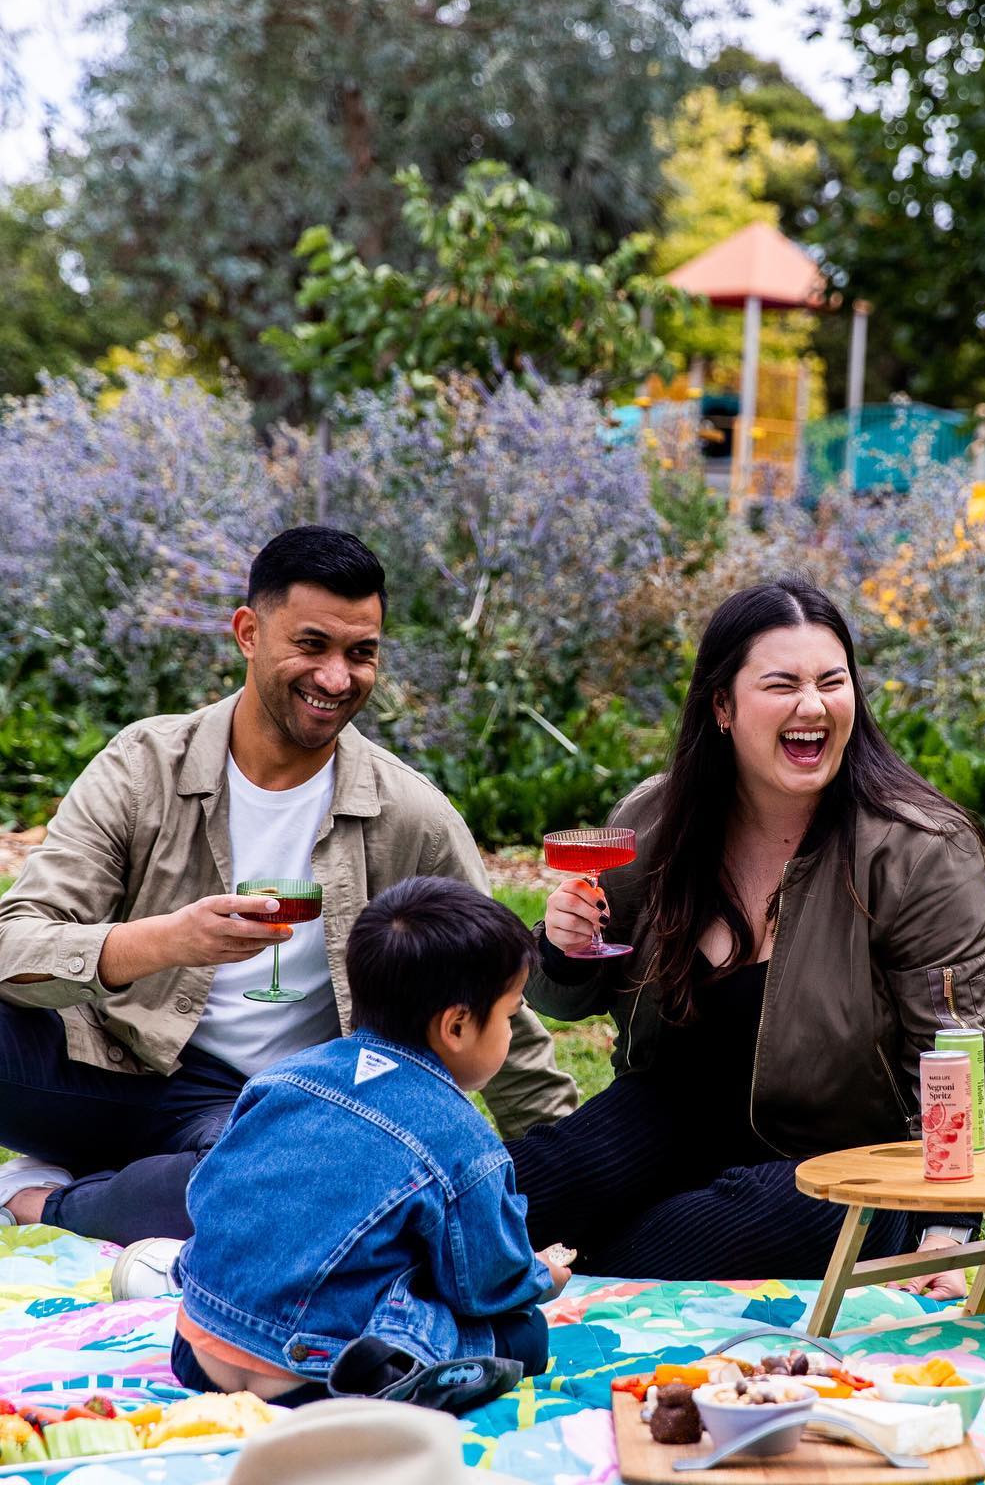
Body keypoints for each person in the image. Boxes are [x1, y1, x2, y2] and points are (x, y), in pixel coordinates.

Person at [0, 526, 575, 1255]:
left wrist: (559, 1175)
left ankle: (47, 1199)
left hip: (262, 1114)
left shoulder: (410, 816)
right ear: (248, 632)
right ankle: (139, 1186)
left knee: (280, 1190)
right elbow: (15, 938)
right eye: (312, 646)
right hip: (110, 1064)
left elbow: (499, 996)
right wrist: (165, 942)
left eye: (360, 653)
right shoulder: (144, 765)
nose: (337, 678)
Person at [512, 575, 985, 1279]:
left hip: (841, 1160)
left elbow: (958, 1051)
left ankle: (565, 1270)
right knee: (529, 1182)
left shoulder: (917, 849)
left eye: (832, 682)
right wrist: (563, 951)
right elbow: (565, 1002)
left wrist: (949, 1229)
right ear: (722, 705)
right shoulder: (654, 824)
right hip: (662, 1119)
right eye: (782, 685)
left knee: (738, 1221)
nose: (813, 705)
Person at [172, 878, 569, 1407]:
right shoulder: (462, 1141)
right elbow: (486, 1286)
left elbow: (208, 1190)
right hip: (321, 1377)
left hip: (200, 1348)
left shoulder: (281, 1078)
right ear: (456, 1025)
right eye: (510, 1014)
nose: (511, 1031)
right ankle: (400, 1373)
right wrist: (543, 1275)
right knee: (525, 1334)